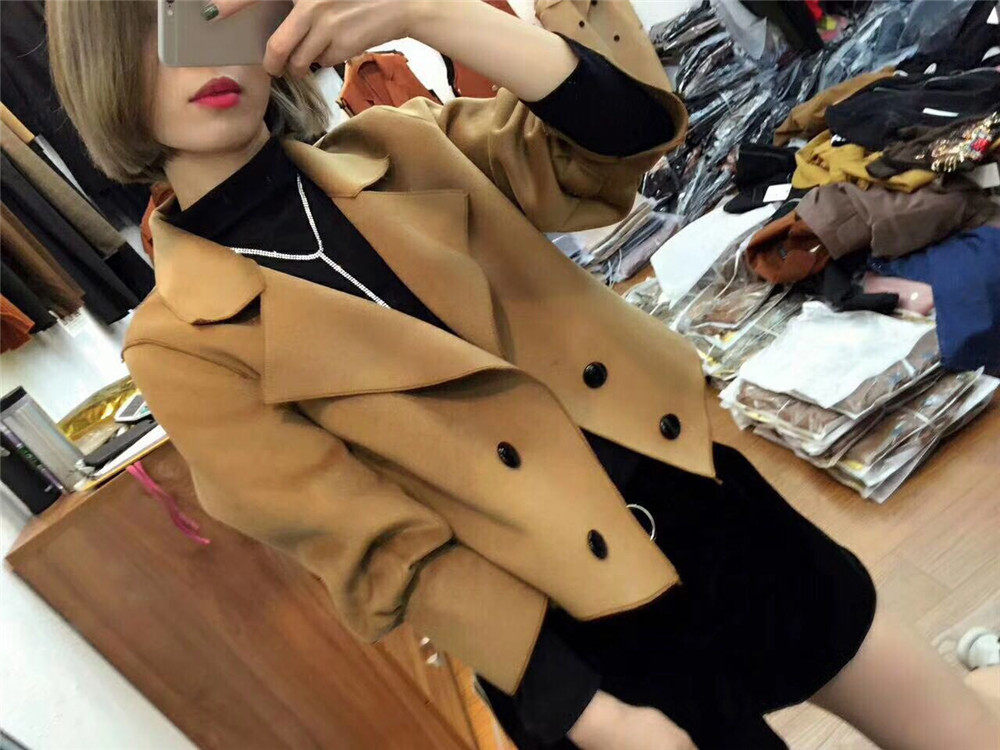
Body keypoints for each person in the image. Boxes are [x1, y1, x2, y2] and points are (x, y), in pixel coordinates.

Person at [46, 1, 1000, 748]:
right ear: (104, 66)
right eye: (161, 29)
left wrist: (432, 13)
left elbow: (624, 136)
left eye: (223, 12)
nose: (207, 54)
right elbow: (380, 551)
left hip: (708, 513)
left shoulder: (407, 146)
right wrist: (590, 715)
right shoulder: (182, 342)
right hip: (576, 640)